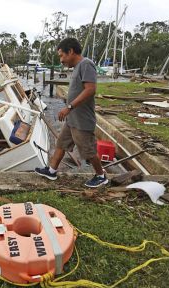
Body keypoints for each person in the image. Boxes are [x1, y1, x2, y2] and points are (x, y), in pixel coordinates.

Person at [35, 37, 108, 188]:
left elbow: (90, 89)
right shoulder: (77, 67)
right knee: (61, 143)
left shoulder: (86, 64)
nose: (61, 60)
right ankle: (52, 171)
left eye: (62, 55)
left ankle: (101, 176)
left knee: (88, 150)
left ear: (71, 51)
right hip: (72, 118)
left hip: (82, 119)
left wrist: (69, 107)